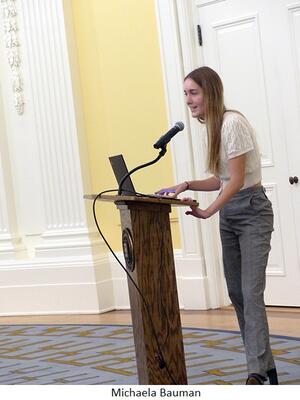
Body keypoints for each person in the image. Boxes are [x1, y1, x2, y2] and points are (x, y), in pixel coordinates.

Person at [156, 66, 278, 385]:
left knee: (251, 293)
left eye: (193, 92)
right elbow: (219, 179)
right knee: (237, 293)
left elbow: (237, 180)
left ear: (210, 92)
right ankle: (265, 366)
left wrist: (208, 211)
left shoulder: (232, 123)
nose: (188, 100)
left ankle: (256, 371)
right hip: (231, 214)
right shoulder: (212, 127)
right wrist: (185, 184)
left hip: (252, 210)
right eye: (185, 93)